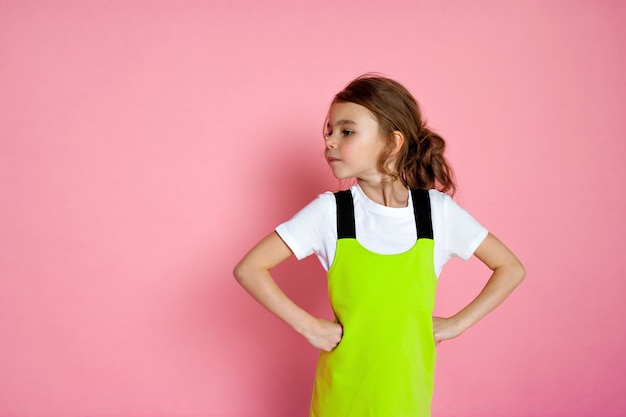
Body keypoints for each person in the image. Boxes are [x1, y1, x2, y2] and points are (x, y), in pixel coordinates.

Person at [233, 74, 525, 417]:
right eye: (328, 132)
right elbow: (249, 269)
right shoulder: (332, 212)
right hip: (339, 400)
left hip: (406, 401)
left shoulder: (435, 214)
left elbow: (511, 268)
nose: (330, 142)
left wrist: (456, 324)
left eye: (347, 131)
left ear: (393, 141)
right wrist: (308, 326)